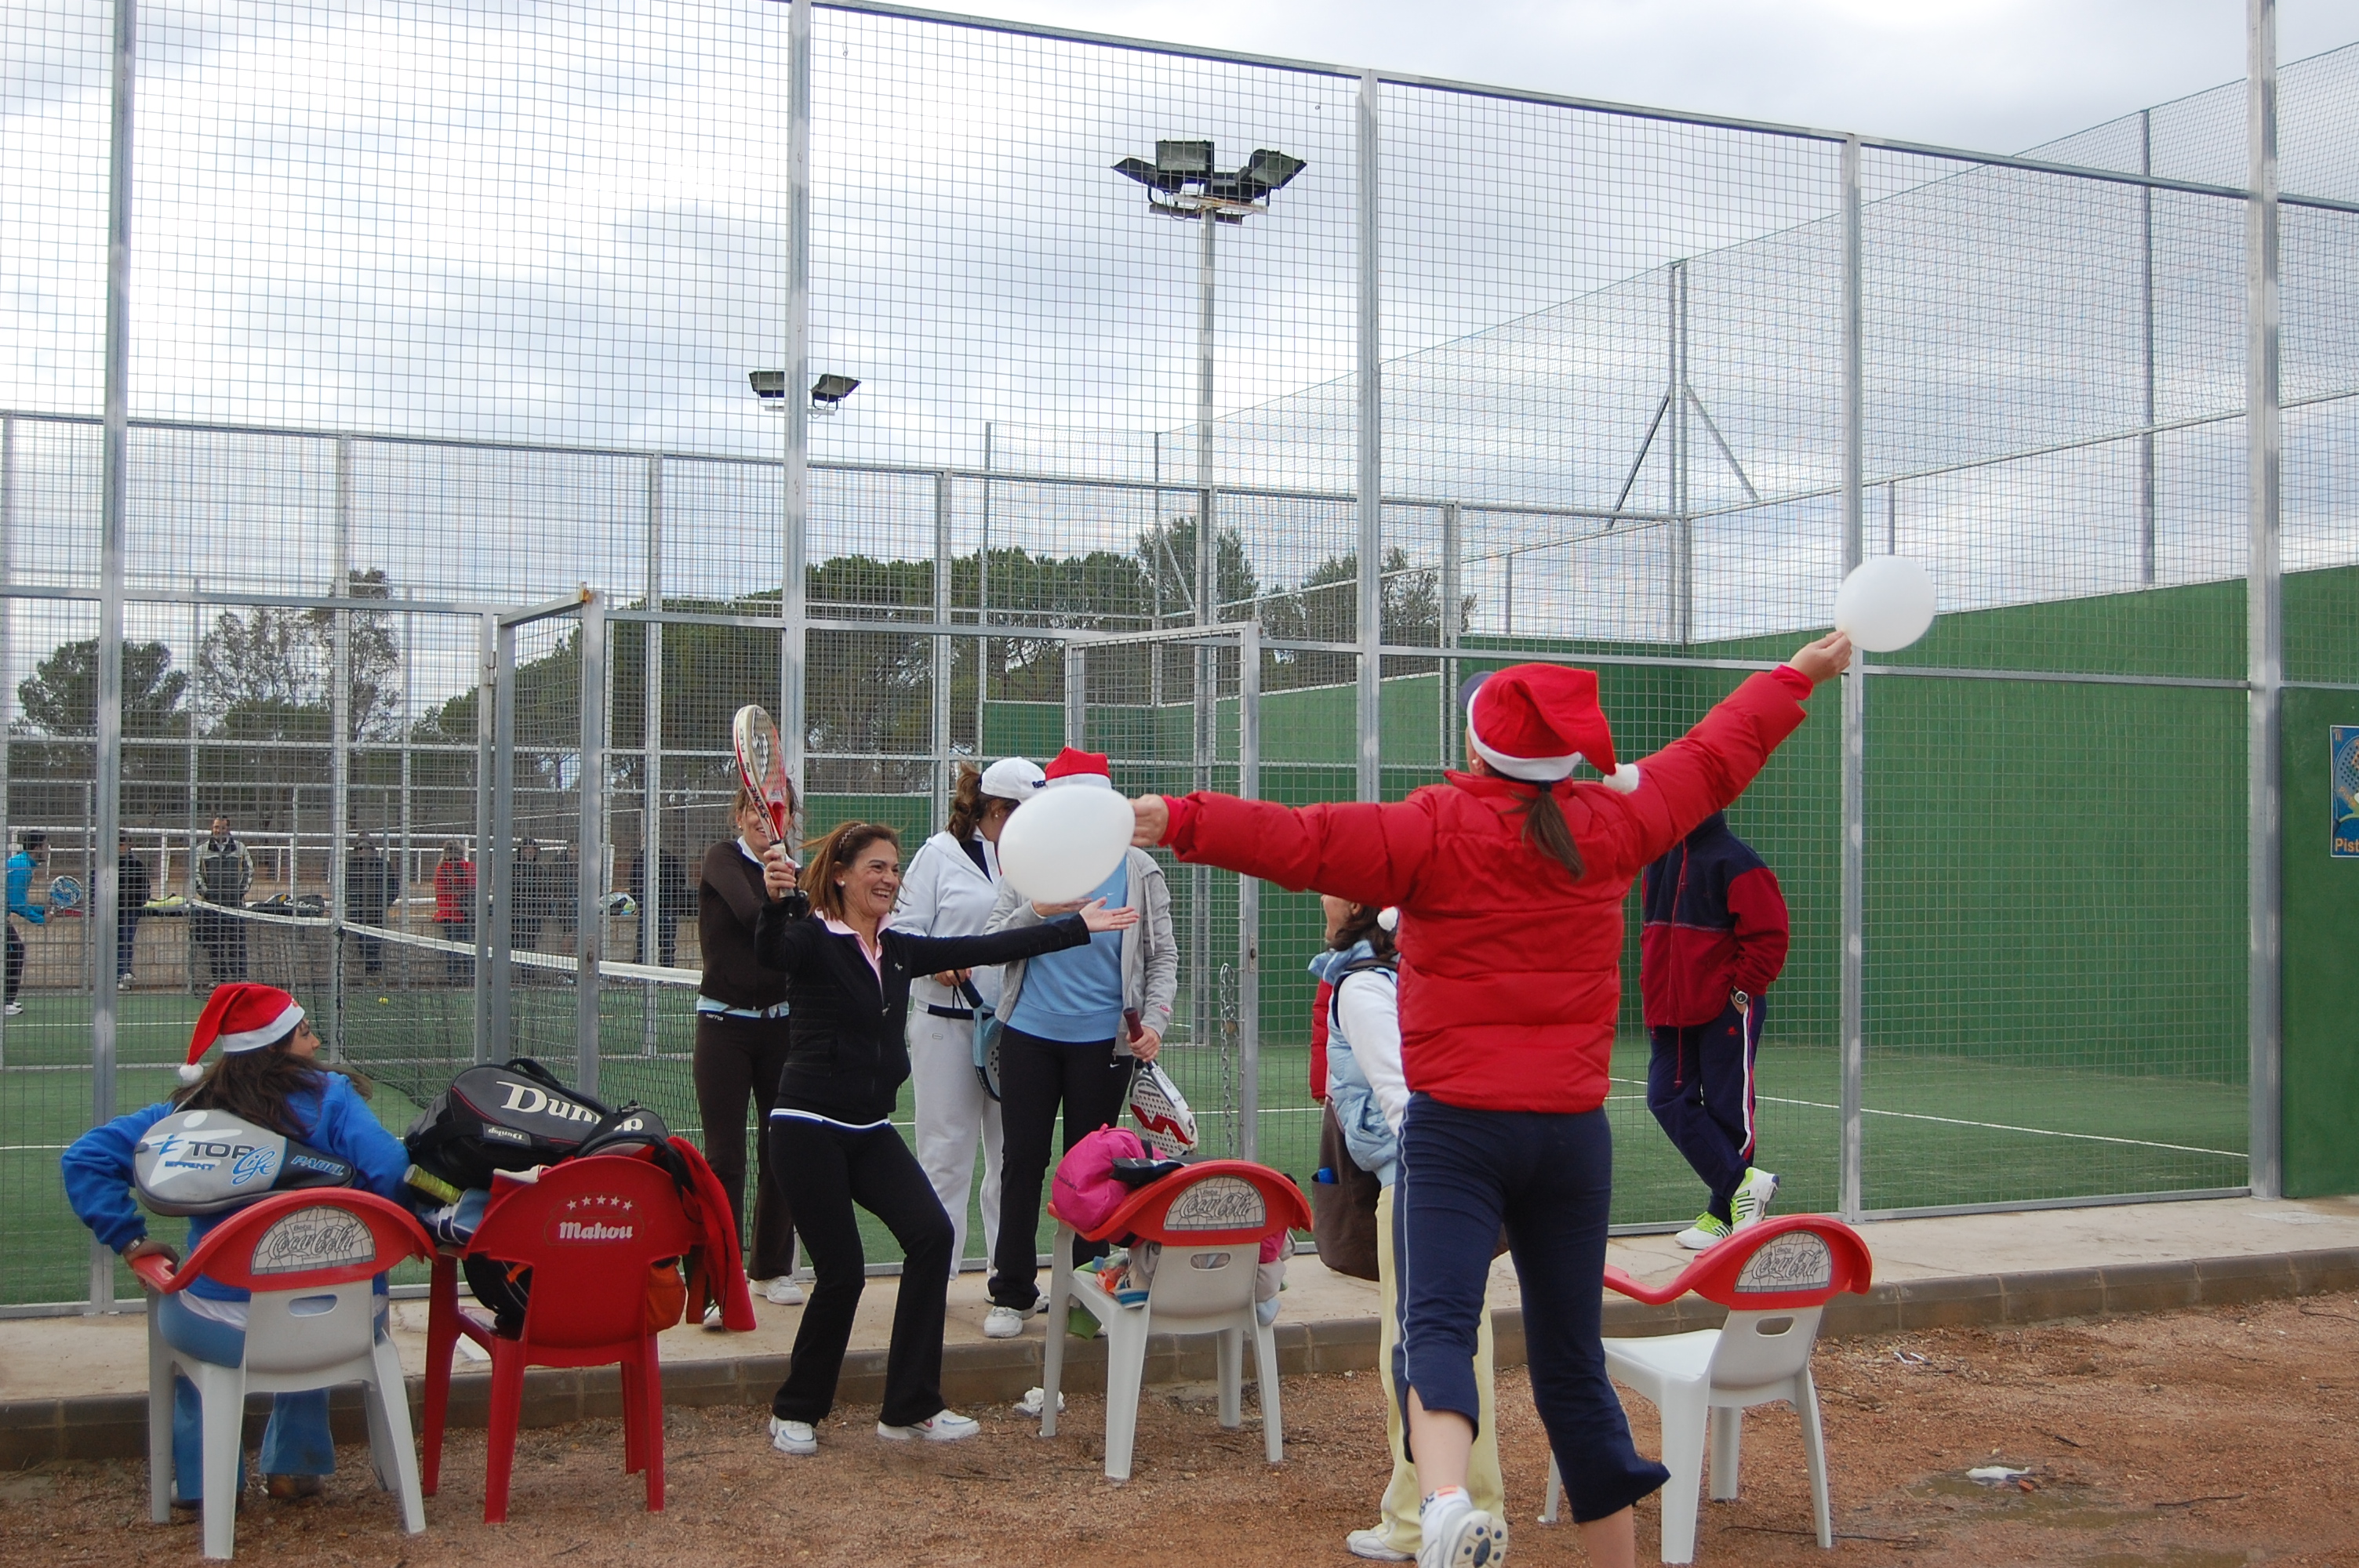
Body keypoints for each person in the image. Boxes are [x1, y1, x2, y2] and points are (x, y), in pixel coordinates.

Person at [1127, 633, 1852, 1568]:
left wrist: (1175, 817)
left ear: (1475, 746)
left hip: (1458, 1130)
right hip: (1570, 1136)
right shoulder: (1615, 821)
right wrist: (1796, 675)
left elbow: (1299, 839)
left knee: (1434, 1324)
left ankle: (1440, 1506)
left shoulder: (1432, 824)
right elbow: (1716, 753)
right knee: (1571, 1364)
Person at [751, 820, 1135, 1456]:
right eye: (876, 867)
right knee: (843, 1273)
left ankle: (910, 1406)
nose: (889, 878)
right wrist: (776, 903)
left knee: (932, 1237)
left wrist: (1076, 927)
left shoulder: (898, 949)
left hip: (869, 1129)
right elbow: (773, 953)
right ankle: (796, 1409)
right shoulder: (811, 937)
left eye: (894, 867)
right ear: (840, 875)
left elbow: (988, 947)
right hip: (807, 1129)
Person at [59, 982, 411, 1506]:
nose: (315, 1044)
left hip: (222, 1327)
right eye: (305, 1033)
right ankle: (296, 1465)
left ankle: (204, 1484)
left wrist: (130, 1241)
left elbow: (84, 1159)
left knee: (203, 1333)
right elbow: (391, 1170)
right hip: (346, 1320)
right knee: (315, 1281)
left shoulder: (184, 1114)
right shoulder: (334, 1098)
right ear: (277, 1046)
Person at [1319, 897, 1508, 1564]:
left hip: (1421, 1185)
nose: (1320, 899)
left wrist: (1433, 1181)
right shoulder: (1430, 968)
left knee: (1413, 1354)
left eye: (1329, 888)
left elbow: (1401, 1095)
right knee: (1459, 1349)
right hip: (1452, 1182)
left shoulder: (1364, 984)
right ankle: (1471, 1505)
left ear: (1355, 904)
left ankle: (1416, 1520)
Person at [978, 748, 1177, 1340]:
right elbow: (991, 943)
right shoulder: (1026, 863)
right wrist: (1036, 910)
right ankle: (1012, 1293)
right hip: (1029, 1037)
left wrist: (1154, 1022)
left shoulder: (1139, 869)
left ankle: (1089, 1291)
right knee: (1022, 1161)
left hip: (1104, 1046)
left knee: (1094, 1170)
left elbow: (1162, 955)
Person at [889, 756, 1044, 1279]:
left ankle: (1008, 1280)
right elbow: (901, 934)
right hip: (944, 1027)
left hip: (1017, 1030)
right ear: (997, 810)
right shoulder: (938, 854)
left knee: (1011, 1161)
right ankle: (935, 1282)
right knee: (945, 1158)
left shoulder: (1035, 859)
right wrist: (938, 964)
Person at [1640, 811, 1791, 1250]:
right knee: (1666, 1097)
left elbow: (1770, 935)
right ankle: (1743, 1186)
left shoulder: (1737, 860)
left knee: (1729, 1110)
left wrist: (1741, 991)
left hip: (1725, 1007)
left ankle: (1723, 1216)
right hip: (1669, 1008)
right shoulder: (1659, 858)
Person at [698, 785, 803, 1318]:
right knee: (724, 1158)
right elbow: (750, 915)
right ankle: (719, 1280)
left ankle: (771, 1269)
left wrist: (793, 892)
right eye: (755, 812)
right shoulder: (722, 859)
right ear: (738, 816)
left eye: (776, 812)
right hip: (723, 1027)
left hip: (782, 1031)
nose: (765, 821)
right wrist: (782, 893)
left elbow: (805, 935)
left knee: (781, 1149)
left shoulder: (794, 874)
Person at [195, 817, 254, 983]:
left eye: (222, 828)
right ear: (211, 827)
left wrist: (240, 892)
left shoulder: (240, 848)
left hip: (235, 904)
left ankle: (240, 978)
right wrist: (207, 894)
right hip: (212, 904)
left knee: (237, 942)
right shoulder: (201, 850)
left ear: (228, 829)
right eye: (216, 827)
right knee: (215, 943)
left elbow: (249, 871)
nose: (218, 831)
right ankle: (219, 979)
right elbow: (195, 874)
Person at [343, 835, 399, 977]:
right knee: (363, 942)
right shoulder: (350, 866)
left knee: (375, 941)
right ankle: (371, 969)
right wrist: (351, 902)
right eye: (360, 848)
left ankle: (373, 969)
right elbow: (343, 887)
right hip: (358, 912)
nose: (363, 851)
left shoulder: (383, 865)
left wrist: (384, 903)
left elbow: (394, 887)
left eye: (367, 848)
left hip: (376, 911)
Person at [631, 841, 692, 968]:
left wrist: (640, 902)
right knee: (667, 944)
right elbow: (681, 881)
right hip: (666, 907)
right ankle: (666, 972)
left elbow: (633, 884)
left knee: (644, 942)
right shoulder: (669, 858)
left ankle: (643, 971)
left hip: (650, 907)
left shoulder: (641, 859)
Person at [6, 830, 48, 1015]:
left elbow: (15, 901)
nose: (47, 850)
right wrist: (40, 919)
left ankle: (7, 1000)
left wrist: (41, 911)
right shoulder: (22, 867)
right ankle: (6, 1002)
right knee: (16, 951)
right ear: (37, 847)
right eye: (45, 846)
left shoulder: (21, 863)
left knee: (13, 951)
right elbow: (16, 904)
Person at [432, 841, 476, 984]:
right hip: (462, 912)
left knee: (454, 947)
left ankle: (456, 976)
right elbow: (472, 886)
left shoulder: (441, 869)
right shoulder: (468, 867)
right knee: (468, 946)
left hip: (452, 913)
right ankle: (470, 975)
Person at [117, 831, 152, 985]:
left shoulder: (136, 863)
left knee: (125, 939)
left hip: (129, 909)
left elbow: (145, 888)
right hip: (109, 910)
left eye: (121, 844)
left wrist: (137, 904)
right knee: (110, 941)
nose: (119, 848)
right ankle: (114, 975)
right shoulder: (104, 862)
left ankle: (124, 973)